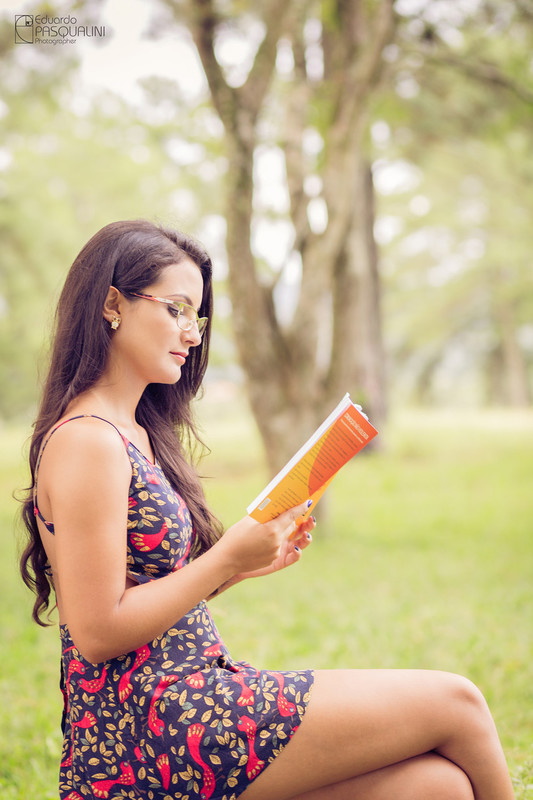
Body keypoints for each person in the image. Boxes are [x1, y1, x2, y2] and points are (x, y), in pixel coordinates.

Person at [20, 219, 514, 800]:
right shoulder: (88, 440)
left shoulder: (135, 432)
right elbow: (99, 630)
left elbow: (139, 593)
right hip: (149, 729)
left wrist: (240, 566)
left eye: (197, 317)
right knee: (457, 702)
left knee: (436, 786)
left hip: (192, 698)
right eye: (176, 309)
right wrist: (223, 558)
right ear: (112, 304)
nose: (192, 333)